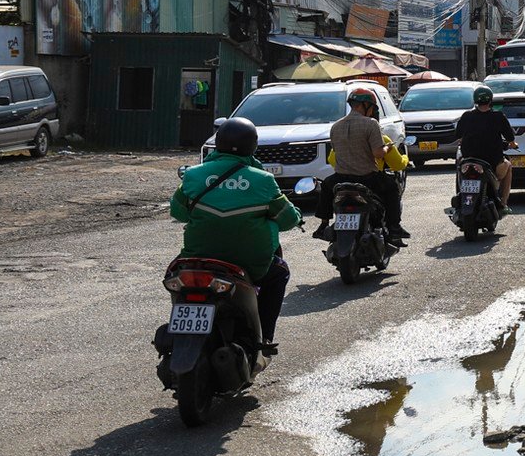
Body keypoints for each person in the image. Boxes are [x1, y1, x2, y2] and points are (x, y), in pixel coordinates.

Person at [169, 117, 299, 353]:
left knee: (175, 274)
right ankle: (264, 338)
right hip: (251, 264)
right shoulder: (264, 180)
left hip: (198, 259)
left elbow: (178, 212)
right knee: (279, 273)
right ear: (253, 146)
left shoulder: (193, 175)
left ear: (218, 143)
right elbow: (288, 220)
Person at [328, 86, 407, 243]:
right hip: (367, 178)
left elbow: (333, 158)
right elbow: (380, 154)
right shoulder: (371, 124)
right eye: (372, 108)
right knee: (392, 189)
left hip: (341, 178)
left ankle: (323, 223)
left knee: (325, 188)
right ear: (365, 105)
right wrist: (387, 148)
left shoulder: (335, 126)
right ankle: (394, 227)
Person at [453, 85, 520, 201]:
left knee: (460, 169)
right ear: (490, 100)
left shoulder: (466, 116)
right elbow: (510, 138)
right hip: (492, 162)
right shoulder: (498, 117)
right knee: (508, 165)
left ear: (475, 100)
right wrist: (513, 145)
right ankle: (503, 202)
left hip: (469, 160)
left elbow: (458, 136)